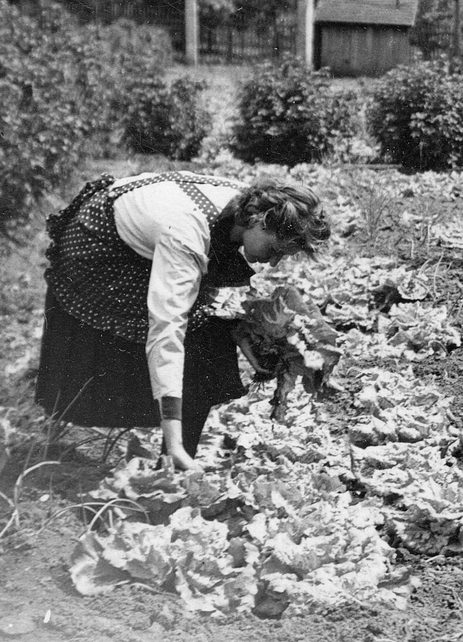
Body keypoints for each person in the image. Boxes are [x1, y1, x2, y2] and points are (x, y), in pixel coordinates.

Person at [36, 172, 330, 472]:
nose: (273, 263)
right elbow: (167, 329)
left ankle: (175, 461)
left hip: (146, 229)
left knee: (208, 336)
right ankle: (176, 456)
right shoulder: (186, 232)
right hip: (98, 251)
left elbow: (201, 282)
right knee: (195, 347)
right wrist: (174, 439)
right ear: (258, 222)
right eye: (276, 250)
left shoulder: (248, 205)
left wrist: (242, 331)